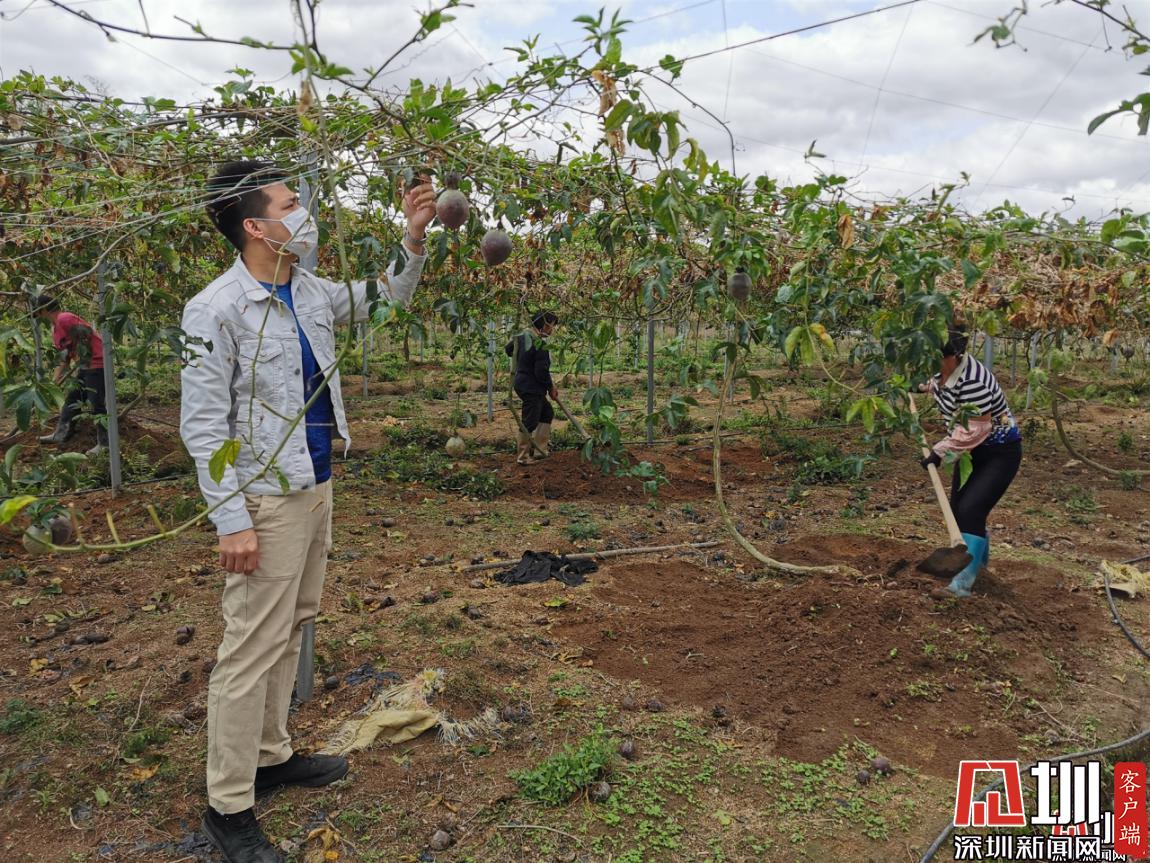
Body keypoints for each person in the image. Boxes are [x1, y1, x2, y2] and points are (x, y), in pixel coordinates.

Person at [180, 160, 435, 863]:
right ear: (256, 226)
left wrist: (413, 238)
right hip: (263, 497)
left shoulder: (308, 289)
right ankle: (228, 806)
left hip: (313, 482)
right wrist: (231, 518)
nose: (305, 213)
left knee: (291, 625)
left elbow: (385, 298)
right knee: (249, 646)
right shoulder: (215, 309)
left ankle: (270, 755)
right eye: (291, 204)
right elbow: (203, 424)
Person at [920, 323, 1022, 597]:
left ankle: (963, 584)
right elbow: (938, 384)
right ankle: (981, 569)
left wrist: (939, 452)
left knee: (971, 510)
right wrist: (920, 388)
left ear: (953, 355)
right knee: (959, 510)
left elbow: (976, 428)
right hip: (971, 452)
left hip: (999, 452)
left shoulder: (974, 381)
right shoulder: (941, 370)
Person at [34, 296, 108, 456]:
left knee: (96, 403)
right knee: (72, 400)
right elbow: (64, 357)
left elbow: (86, 336)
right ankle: (60, 434)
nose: (38, 315)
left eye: (38, 311)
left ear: (44, 309)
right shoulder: (57, 328)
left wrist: (80, 359)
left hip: (96, 364)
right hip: (85, 366)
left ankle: (105, 444)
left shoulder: (65, 318)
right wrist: (55, 380)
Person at [505, 311, 559, 465]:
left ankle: (540, 450)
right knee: (530, 421)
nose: (553, 329)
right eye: (552, 325)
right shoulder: (539, 345)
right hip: (531, 387)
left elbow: (508, 350)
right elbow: (541, 372)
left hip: (522, 383)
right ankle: (522, 457)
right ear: (545, 325)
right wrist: (550, 387)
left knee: (547, 413)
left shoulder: (522, 336)